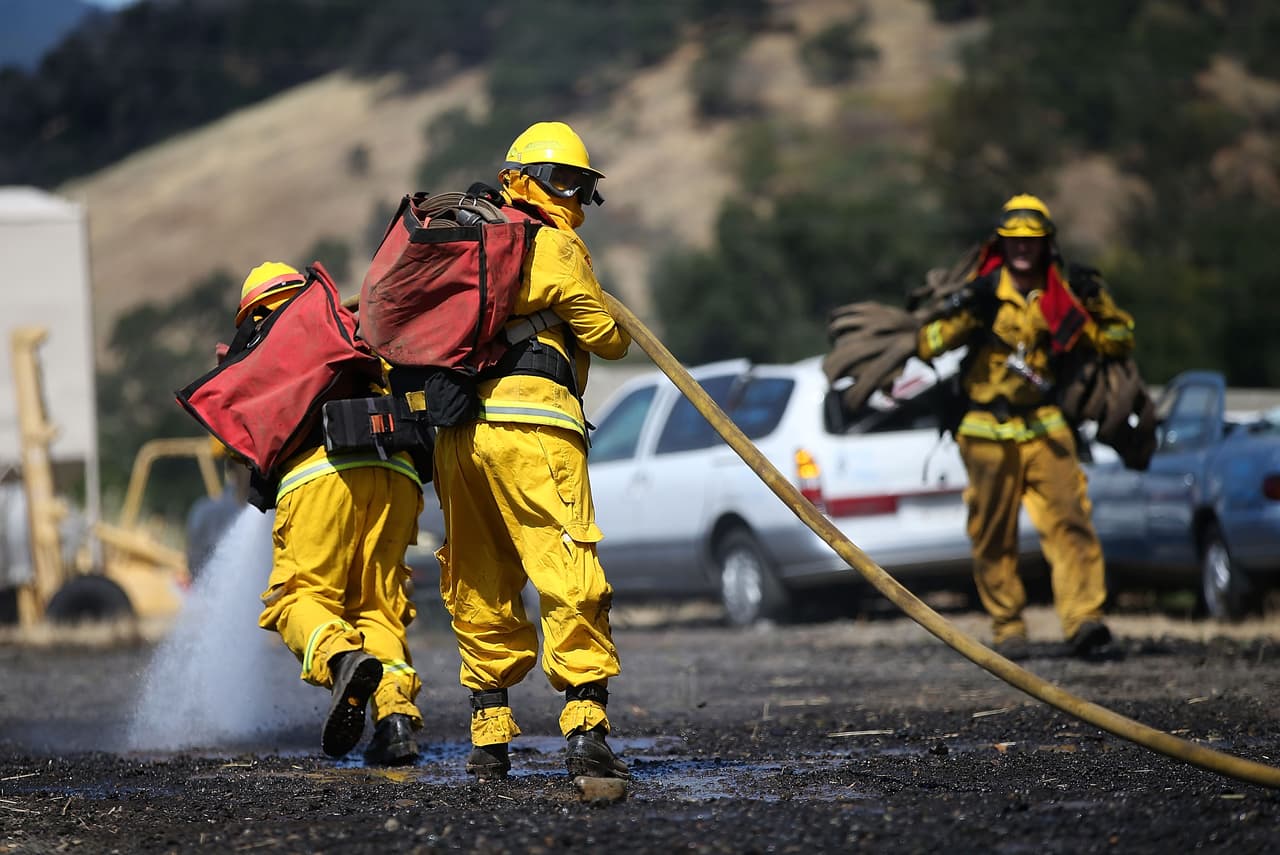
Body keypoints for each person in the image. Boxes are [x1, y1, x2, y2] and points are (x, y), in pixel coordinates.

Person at [431, 121, 632, 780]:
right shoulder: (555, 243)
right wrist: (598, 309)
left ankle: (489, 745)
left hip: (458, 433)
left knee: (477, 581)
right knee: (569, 573)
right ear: (548, 183)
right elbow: (607, 340)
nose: (573, 194)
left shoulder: (467, 240)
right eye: (570, 180)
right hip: (533, 428)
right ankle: (586, 736)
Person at [916, 195, 1135, 660]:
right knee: (992, 534)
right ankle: (1008, 628)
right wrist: (966, 317)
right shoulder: (983, 291)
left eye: (1031, 241)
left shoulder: (1064, 295)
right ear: (1002, 243)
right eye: (1013, 240)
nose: (1022, 249)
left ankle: (1084, 623)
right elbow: (928, 344)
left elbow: (1116, 342)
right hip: (985, 430)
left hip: (1044, 425)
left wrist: (1097, 309)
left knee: (1071, 524)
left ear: (1046, 244)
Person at [234, 262, 427, 765]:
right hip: (395, 470)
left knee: (298, 597)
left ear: (253, 311)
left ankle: (342, 661)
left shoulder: (263, 347)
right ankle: (395, 722)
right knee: (378, 609)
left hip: (321, 474)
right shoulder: (350, 330)